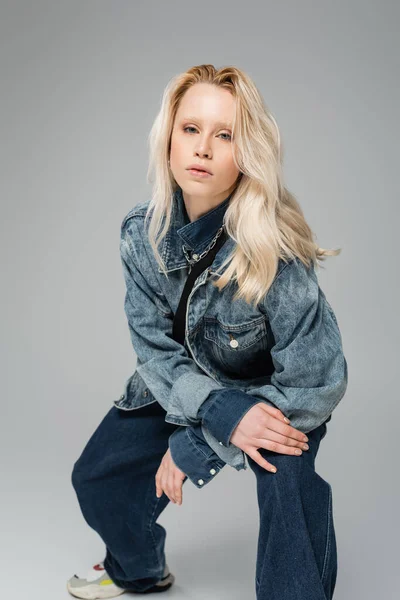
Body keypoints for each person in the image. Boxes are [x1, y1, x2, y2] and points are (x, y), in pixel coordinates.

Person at [68, 64, 348, 599]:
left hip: (279, 398)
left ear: (247, 155)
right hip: (182, 382)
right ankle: (138, 571)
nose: (203, 149)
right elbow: (153, 351)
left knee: (287, 480)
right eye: (190, 129)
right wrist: (215, 412)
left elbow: (318, 381)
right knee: (97, 476)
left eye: (225, 136)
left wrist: (203, 439)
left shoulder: (277, 250)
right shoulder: (140, 234)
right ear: (168, 139)